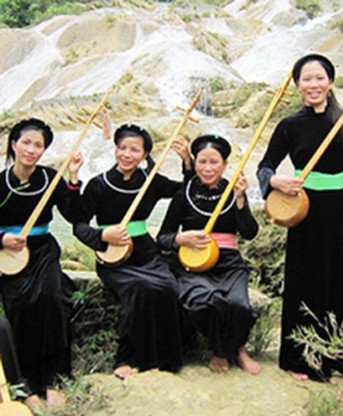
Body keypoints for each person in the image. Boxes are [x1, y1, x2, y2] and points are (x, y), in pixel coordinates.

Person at [257, 53, 343, 381]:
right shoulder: (289, 126)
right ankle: (298, 359)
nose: (313, 84)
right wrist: (276, 181)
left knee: (340, 278)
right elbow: (265, 167)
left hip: (341, 209)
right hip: (304, 209)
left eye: (319, 78)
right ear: (297, 84)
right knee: (304, 278)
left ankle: (336, 360)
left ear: (330, 81)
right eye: (306, 78)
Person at [73, 124, 190, 379]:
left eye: (134, 150)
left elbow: (185, 191)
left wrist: (187, 162)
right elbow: (78, 224)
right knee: (138, 291)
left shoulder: (151, 181)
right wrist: (102, 235)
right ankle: (128, 358)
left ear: (145, 154)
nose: (126, 154)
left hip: (147, 253)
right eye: (122, 148)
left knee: (168, 288)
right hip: (113, 256)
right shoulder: (98, 184)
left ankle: (166, 358)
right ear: (115, 149)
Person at [158, 134, 261, 374]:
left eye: (214, 162)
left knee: (238, 304)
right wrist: (179, 239)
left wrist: (240, 200)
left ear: (225, 164)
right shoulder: (184, 194)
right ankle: (220, 349)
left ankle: (239, 349)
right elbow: (163, 237)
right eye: (201, 162)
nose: (207, 168)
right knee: (206, 300)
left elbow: (250, 232)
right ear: (194, 164)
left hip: (228, 262)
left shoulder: (233, 190)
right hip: (194, 263)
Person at [0, 118, 82, 409]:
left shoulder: (50, 179)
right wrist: (2, 240)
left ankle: (53, 379)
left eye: (39, 145)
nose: (32, 149)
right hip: (9, 257)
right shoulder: (1, 182)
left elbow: (74, 215)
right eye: (26, 142)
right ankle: (27, 384)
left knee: (50, 299)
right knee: (21, 307)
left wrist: (72, 179)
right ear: (14, 144)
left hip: (44, 251)